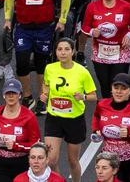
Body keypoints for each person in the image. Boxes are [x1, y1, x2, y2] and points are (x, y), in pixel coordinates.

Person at [42, 37, 98, 182]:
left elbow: (93, 96)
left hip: (74, 120)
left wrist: (83, 97)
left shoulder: (82, 72)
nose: (63, 53)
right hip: (54, 118)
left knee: (73, 161)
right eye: (59, 49)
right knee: (51, 160)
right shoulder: (50, 68)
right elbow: (46, 84)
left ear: (73, 52)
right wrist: (45, 94)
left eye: (67, 49)